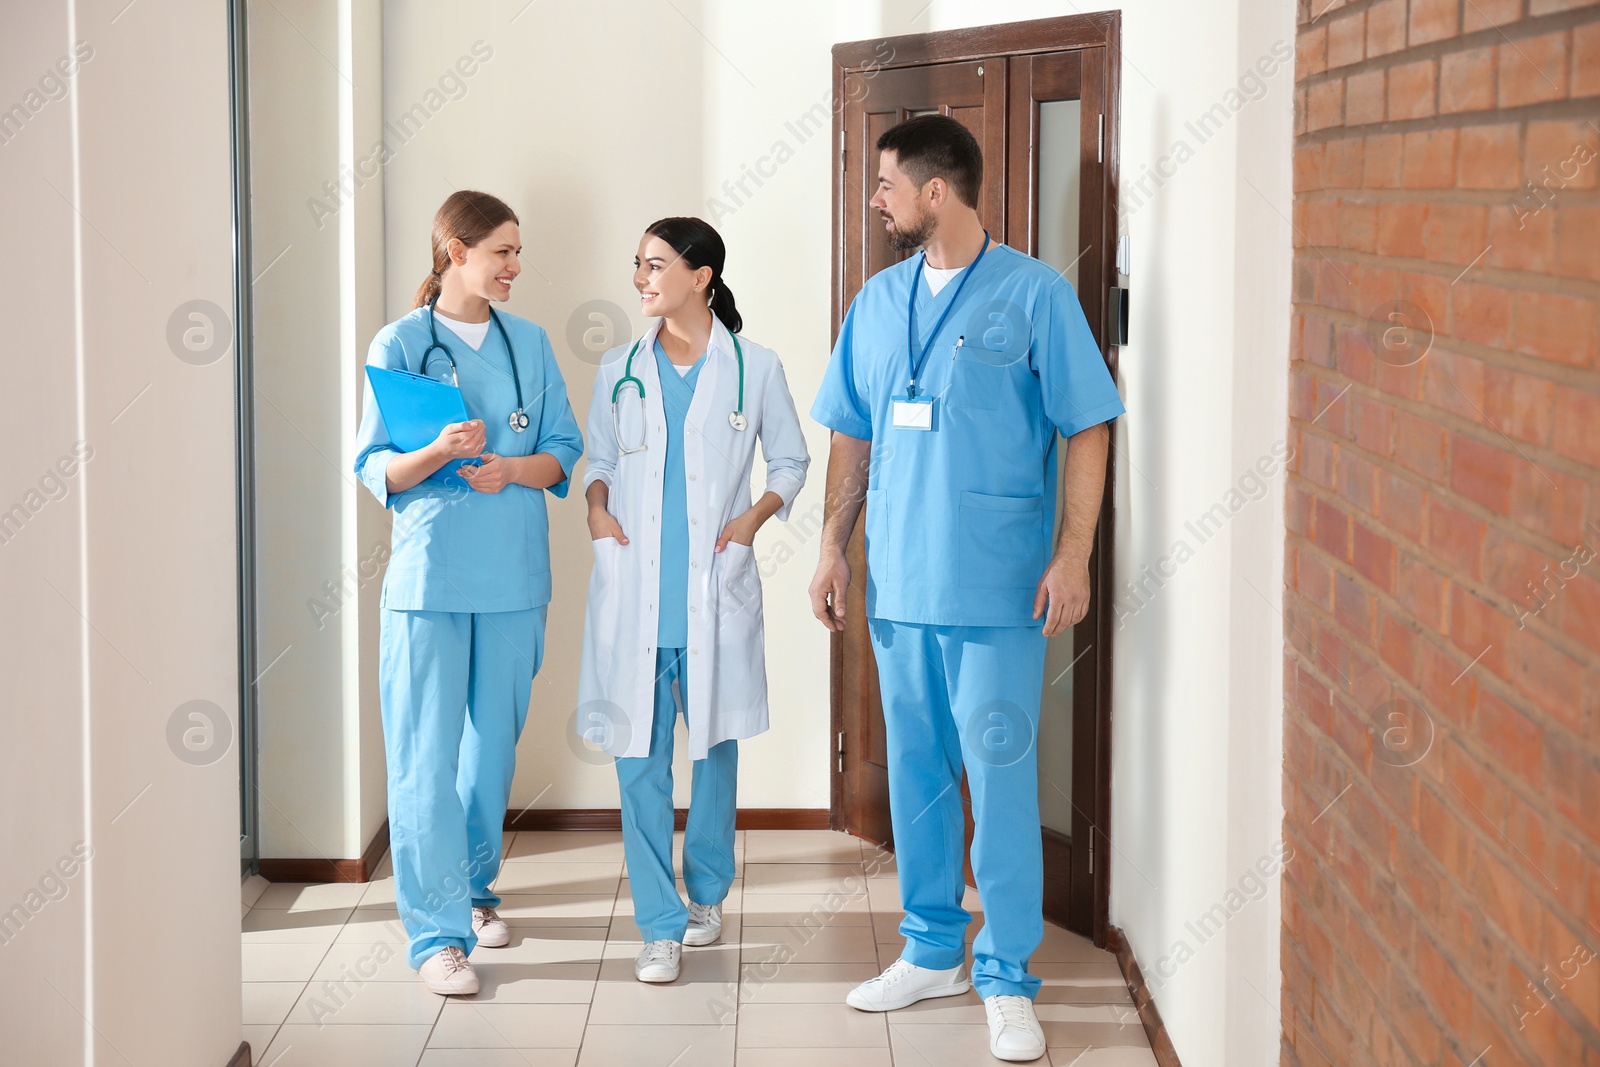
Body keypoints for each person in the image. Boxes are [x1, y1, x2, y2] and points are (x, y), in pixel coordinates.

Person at [807, 115, 1124, 1062]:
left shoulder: (1034, 294)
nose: (878, 198)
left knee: (998, 778)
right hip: (897, 587)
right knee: (917, 779)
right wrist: (832, 544)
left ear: (936, 190)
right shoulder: (876, 299)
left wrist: (1073, 556)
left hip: (995, 592)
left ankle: (1008, 977)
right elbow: (851, 435)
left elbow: (1089, 425)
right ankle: (933, 946)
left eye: (887, 184)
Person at [353, 190, 584, 996]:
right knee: (422, 757)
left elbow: (561, 449)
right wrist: (437, 450)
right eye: (503, 252)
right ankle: (436, 936)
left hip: (514, 576)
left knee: (489, 754)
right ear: (456, 250)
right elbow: (374, 467)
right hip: (429, 580)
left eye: (519, 252)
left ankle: (477, 893)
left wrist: (510, 470)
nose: (516, 266)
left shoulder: (530, 343)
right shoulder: (401, 342)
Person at [578, 217, 809, 984]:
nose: (642, 278)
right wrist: (597, 505)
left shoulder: (755, 367)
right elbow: (599, 456)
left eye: (655, 265)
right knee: (637, 764)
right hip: (634, 593)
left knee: (714, 758)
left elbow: (792, 458)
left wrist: (750, 519)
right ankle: (659, 923)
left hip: (713, 594)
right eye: (637, 265)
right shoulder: (618, 365)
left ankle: (707, 891)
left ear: (701, 275)